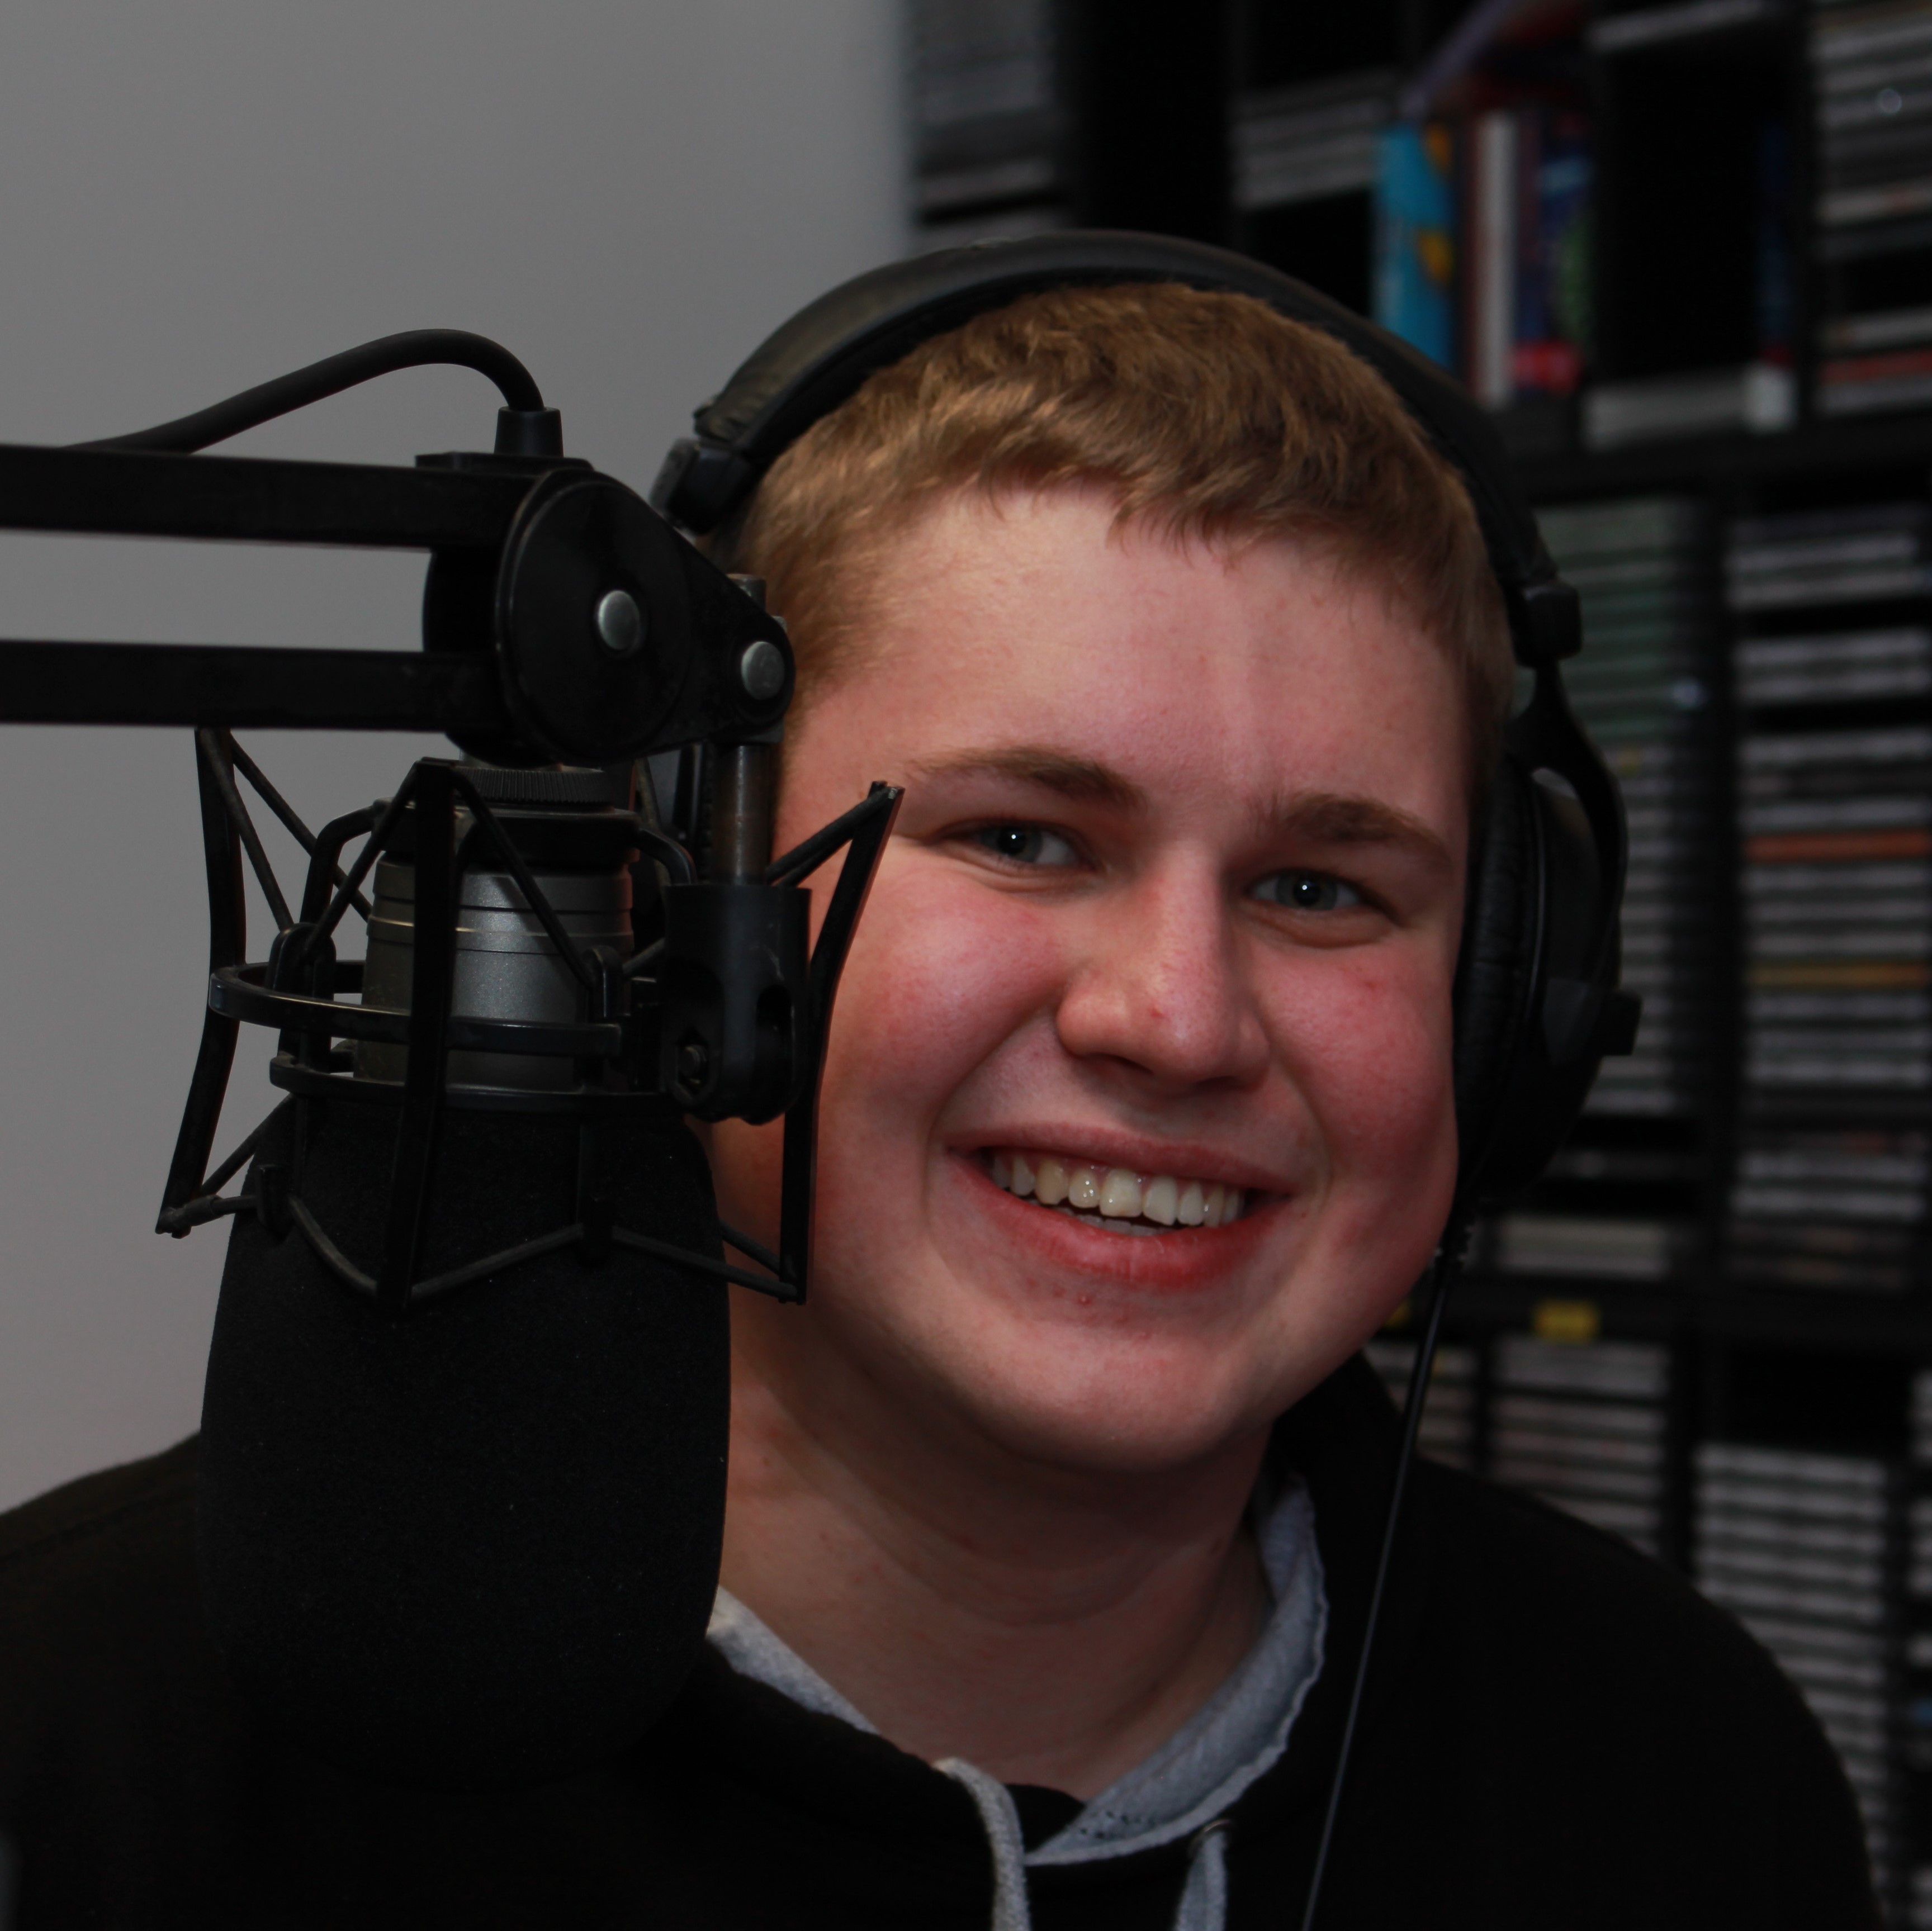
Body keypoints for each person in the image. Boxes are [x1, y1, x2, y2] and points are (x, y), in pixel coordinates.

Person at [0, 269, 1878, 1930]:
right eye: (1025, 837)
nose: (1178, 1020)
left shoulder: (1686, 1777)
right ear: (673, 908)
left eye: (1322, 888)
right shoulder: (78, 1751)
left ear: (1506, 1008)